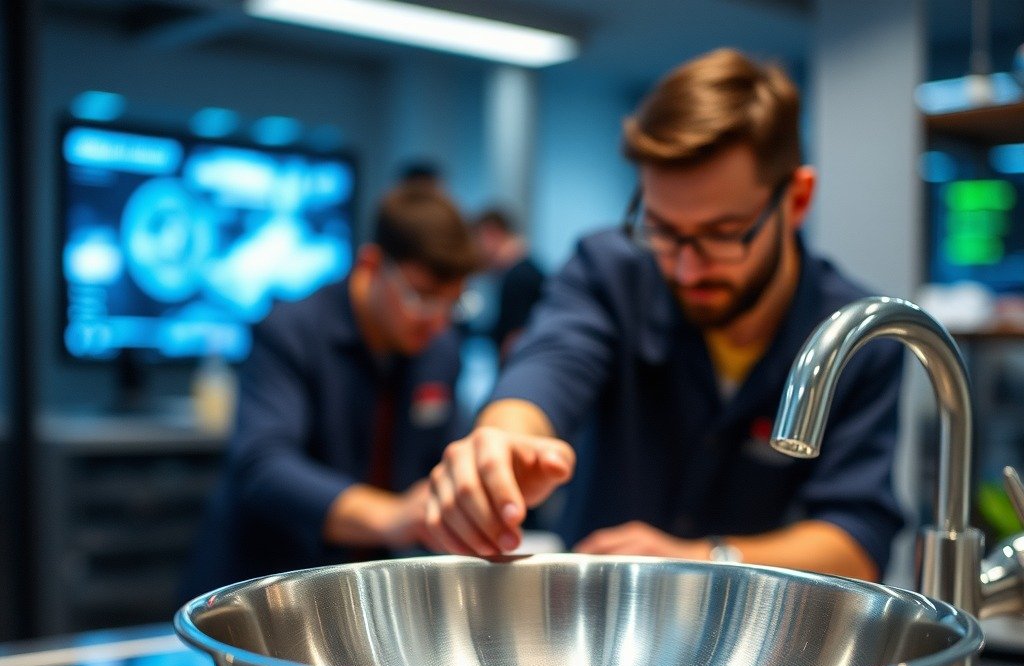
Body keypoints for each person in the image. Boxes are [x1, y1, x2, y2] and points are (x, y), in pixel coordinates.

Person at [422, 48, 904, 582]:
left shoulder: (855, 337)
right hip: (591, 635)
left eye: (723, 234)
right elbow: (553, 360)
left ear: (796, 199)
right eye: (663, 230)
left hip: (765, 650)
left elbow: (857, 540)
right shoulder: (610, 271)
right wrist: (502, 439)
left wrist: (697, 563)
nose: (687, 269)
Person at [181, 181, 479, 595]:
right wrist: (390, 516)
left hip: (373, 595)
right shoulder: (290, 330)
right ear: (372, 265)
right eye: (423, 297)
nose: (437, 321)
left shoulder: (439, 349)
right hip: (269, 590)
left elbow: (448, 454)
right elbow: (263, 465)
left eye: (453, 303)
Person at [473, 207, 546, 361]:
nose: (475, 249)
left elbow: (514, 339)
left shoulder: (517, 277)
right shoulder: (525, 269)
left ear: (492, 234)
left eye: (477, 239)